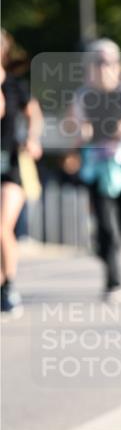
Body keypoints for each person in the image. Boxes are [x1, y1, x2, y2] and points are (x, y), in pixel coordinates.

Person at [66, 40, 121, 300]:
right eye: (97, 63)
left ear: (117, 65)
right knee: (105, 226)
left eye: (108, 63)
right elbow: (73, 130)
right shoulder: (83, 96)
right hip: (98, 168)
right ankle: (113, 281)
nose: (103, 69)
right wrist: (81, 133)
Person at [1, 30, 43, 316]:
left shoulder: (15, 86)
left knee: (2, 225)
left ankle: (9, 287)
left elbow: (34, 113)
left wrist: (33, 138)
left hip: (11, 165)